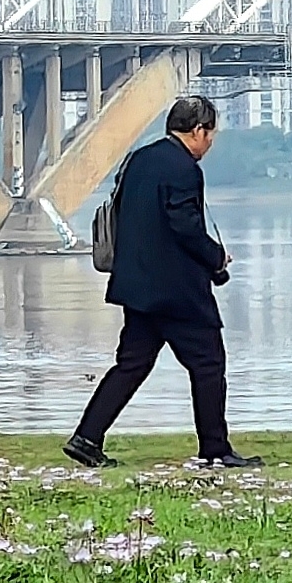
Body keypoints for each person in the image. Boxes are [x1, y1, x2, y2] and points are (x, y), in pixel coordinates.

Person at [64, 93, 248, 470]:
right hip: (177, 293)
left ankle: (86, 438)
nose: (210, 144)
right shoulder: (184, 169)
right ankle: (215, 449)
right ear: (197, 130)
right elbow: (185, 227)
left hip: (137, 287)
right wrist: (216, 257)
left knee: (131, 364)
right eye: (210, 135)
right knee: (208, 364)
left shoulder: (139, 159)